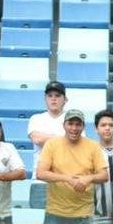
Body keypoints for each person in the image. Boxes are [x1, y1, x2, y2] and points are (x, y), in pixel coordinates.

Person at [36, 108, 108, 224]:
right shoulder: (52, 144)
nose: (74, 128)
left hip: (84, 213)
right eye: (70, 124)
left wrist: (88, 178)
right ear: (63, 125)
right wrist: (68, 179)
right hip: (55, 212)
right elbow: (41, 173)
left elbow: (104, 175)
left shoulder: (93, 146)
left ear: (83, 127)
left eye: (78, 124)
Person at [28, 80, 68, 208]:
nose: (53, 99)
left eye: (57, 96)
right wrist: (64, 139)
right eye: (50, 96)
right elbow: (37, 139)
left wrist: (48, 138)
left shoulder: (72, 119)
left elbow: (77, 143)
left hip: (65, 181)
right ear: (45, 99)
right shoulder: (36, 118)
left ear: (65, 99)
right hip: (40, 182)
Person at [92, 109, 113, 224]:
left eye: (111, 125)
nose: (107, 128)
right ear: (96, 129)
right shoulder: (90, 150)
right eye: (103, 125)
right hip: (98, 211)